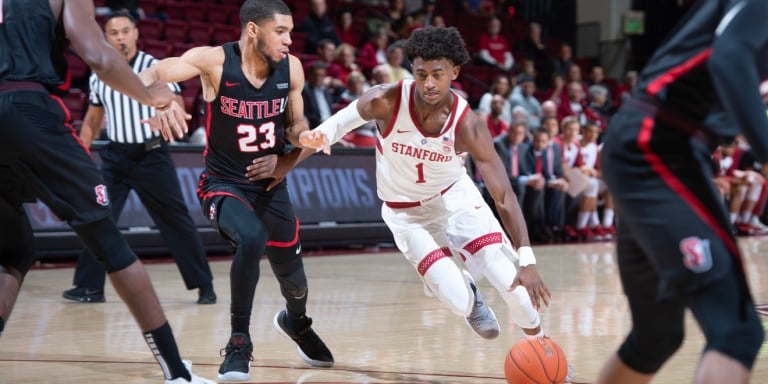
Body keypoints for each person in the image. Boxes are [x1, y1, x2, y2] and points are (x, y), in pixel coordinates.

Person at [294, 26, 554, 347]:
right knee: (459, 303)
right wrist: (299, 152)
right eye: (421, 74)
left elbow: (503, 194)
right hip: (406, 214)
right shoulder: (385, 100)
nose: (429, 83)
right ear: (412, 71)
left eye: (438, 74)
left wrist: (527, 260)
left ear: (454, 72)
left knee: (513, 286)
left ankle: (543, 346)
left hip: (454, 198)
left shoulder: (467, 124)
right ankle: (468, 292)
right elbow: (332, 127)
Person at [0, 0, 212, 383]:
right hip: (29, 111)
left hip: (145, 154)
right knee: (111, 245)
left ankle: (203, 287)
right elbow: (98, 57)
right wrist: (154, 97)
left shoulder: (149, 59)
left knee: (13, 251)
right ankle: (177, 373)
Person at [138, 0, 333, 381]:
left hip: (271, 184)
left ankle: (297, 323)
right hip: (223, 183)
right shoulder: (214, 61)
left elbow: (295, 123)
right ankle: (239, 342)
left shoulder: (290, 67)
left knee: (294, 279)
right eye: (281, 31)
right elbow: (154, 72)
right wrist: (160, 100)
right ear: (253, 31)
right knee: (252, 236)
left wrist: (300, 140)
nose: (290, 40)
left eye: (291, 32)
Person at [598, 1, 766, 383]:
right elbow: (730, 56)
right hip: (658, 142)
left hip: (657, 146)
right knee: (737, 331)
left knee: (656, 337)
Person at [61, 10, 216, 305]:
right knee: (97, 217)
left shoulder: (154, 66)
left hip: (151, 156)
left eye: (125, 31)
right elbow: (93, 120)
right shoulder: (100, 73)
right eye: (114, 33)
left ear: (135, 33)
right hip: (115, 158)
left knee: (176, 220)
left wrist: (167, 112)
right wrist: (80, 156)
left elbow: (176, 100)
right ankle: (89, 287)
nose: (120, 37)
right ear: (105, 38)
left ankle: (203, 284)